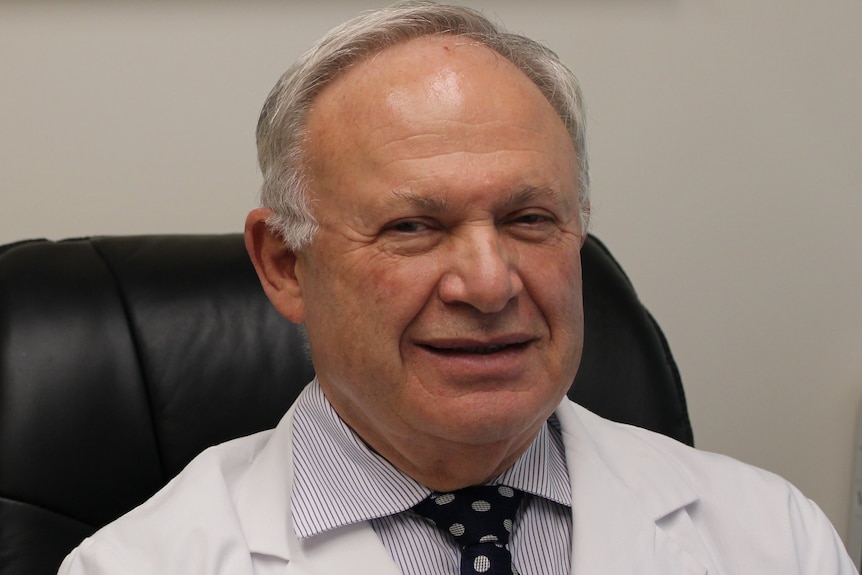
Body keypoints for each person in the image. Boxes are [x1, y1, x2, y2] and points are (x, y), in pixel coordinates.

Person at [59, 2, 854, 574]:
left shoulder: (773, 536)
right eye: (413, 226)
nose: (488, 282)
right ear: (285, 264)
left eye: (530, 218)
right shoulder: (138, 561)